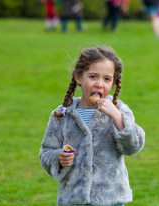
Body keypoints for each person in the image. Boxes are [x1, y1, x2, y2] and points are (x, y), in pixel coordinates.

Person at [39, 46, 145, 206]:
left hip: (110, 199)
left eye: (107, 79)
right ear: (79, 78)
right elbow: (46, 152)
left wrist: (117, 117)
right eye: (93, 76)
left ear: (114, 83)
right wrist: (58, 158)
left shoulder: (119, 111)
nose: (99, 84)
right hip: (73, 199)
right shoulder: (62, 114)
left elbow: (133, 147)